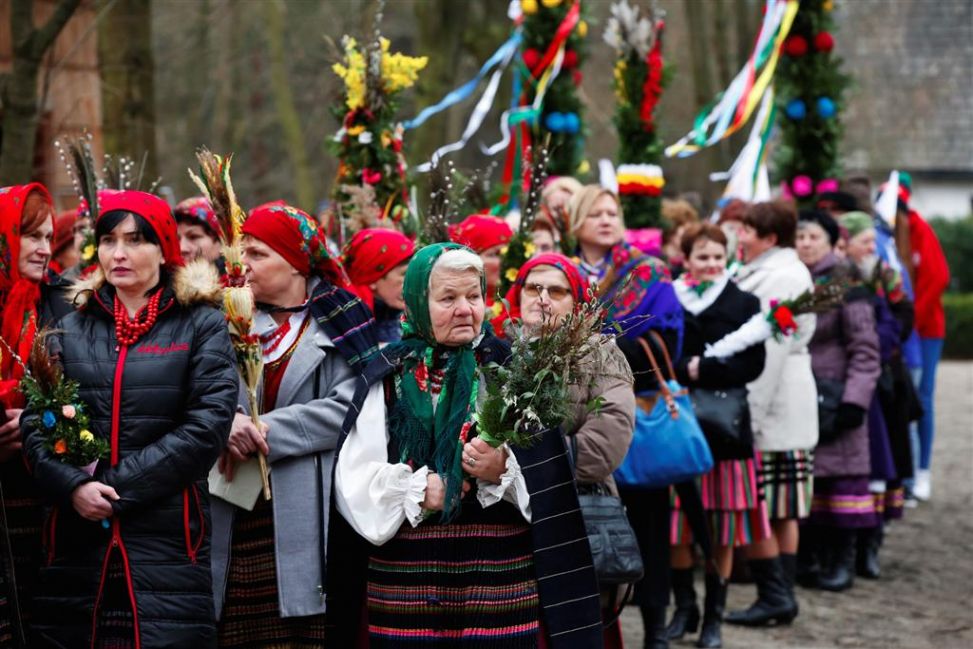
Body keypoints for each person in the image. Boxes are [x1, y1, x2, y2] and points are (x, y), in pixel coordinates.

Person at [328, 243, 602, 647]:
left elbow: (549, 482)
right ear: (419, 303)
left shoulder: (513, 370)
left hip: (498, 577)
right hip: (408, 580)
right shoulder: (388, 374)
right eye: (448, 298)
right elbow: (353, 480)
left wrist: (503, 470)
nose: (465, 309)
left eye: (474, 296)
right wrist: (419, 490)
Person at [21, 189, 239, 648]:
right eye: (108, 240)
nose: (118, 253)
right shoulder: (69, 325)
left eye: (136, 240)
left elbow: (207, 427)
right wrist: (73, 486)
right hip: (77, 548)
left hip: (169, 543)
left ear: (164, 248)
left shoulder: (201, 324)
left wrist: (114, 488)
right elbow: (37, 422)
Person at [211, 202, 378, 648]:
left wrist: (263, 431)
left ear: (297, 262)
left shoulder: (343, 318)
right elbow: (197, 393)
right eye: (241, 250)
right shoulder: (225, 320)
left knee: (302, 632)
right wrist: (225, 422)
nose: (242, 263)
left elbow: (352, 406)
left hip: (309, 509)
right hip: (236, 506)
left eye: (259, 253)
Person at [567, 185, 685, 648]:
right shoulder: (559, 271)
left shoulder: (648, 272)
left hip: (638, 411)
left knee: (652, 525)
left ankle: (655, 627)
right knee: (594, 526)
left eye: (612, 212)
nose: (605, 219)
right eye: (593, 212)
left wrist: (602, 343)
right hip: (578, 415)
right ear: (575, 220)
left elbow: (670, 339)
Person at [504, 253, 636, 647]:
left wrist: (529, 467)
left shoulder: (600, 353)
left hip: (574, 508)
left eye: (556, 291)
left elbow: (608, 439)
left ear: (576, 303)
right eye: (533, 288)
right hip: (509, 516)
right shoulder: (498, 350)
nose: (542, 298)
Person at [667, 224, 769, 648]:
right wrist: (682, 369)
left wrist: (700, 370)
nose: (710, 264)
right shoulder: (671, 297)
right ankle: (684, 605)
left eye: (716, 256)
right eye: (701, 256)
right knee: (676, 524)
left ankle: (714, 615)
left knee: (723, 525)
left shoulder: (744, 302)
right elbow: (659, 353)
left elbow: (753, 364)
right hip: (680, 423)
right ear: (686, 259)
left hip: (727, 428)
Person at [725, 201, 814, 627]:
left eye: (747, 232)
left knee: (767, 503)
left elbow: (771, 348)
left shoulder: (782, 276)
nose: (739, 239)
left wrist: (751, 414)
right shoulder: (774, 270)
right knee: (777, 503)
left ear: (770, 238)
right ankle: (779, 592)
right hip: (781, 398)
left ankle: (776, 593)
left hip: (774, 398)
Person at [0, 184, 73, 648]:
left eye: (49, 236)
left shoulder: (62, 302)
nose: (46, 248)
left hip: (48, 497)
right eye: (32, 236)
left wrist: (37, 423)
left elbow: (87, 392)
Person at [795, 210, 881, 592]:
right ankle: (809, 559)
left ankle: (841, 561)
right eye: (799, 237)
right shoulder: (795, 281)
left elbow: (865, 349)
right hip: (801, 395)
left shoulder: (847, 283)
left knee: (842, 481)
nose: (806, 243)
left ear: (833, 243)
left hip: (839, 396)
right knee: (808, 482)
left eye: (814, 236)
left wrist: (855, 401)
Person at [839, 211, 916, 577]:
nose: (872, 247)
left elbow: (902, 314)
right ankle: (848, 545)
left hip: (885, 379)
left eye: (872, 240)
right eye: (865, 241)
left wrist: (881, 346)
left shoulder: (883, 273)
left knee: (885, 464)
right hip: (853, 374)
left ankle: (871, 545)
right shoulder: (837, 277)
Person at [899, 181, 949, 502]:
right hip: (906, 331)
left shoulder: (921, 232)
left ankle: (922, 471)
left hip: (926, 331)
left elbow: (937, 277)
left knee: (923, 398)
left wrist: (911, 320)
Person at [342, 227, 415, 343]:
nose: (413, 283)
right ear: (372, 278)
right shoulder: (351, 327)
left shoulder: (403, 318)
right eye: (404, 274)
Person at [448, 213, 513, 308]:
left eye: (508, 253)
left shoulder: (525, 300)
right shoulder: (458, 310)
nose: (507, 261)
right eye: (495, 254)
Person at [174, 196, 224, 263]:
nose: (182, 248)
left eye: (193, 237)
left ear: (221, 241)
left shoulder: (239, 272)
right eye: (177, 240)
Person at [661, 198, 701, 278]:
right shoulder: (657, 261)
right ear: (671, 231)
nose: (691, 235)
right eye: (686, 230)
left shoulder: (692, 260)